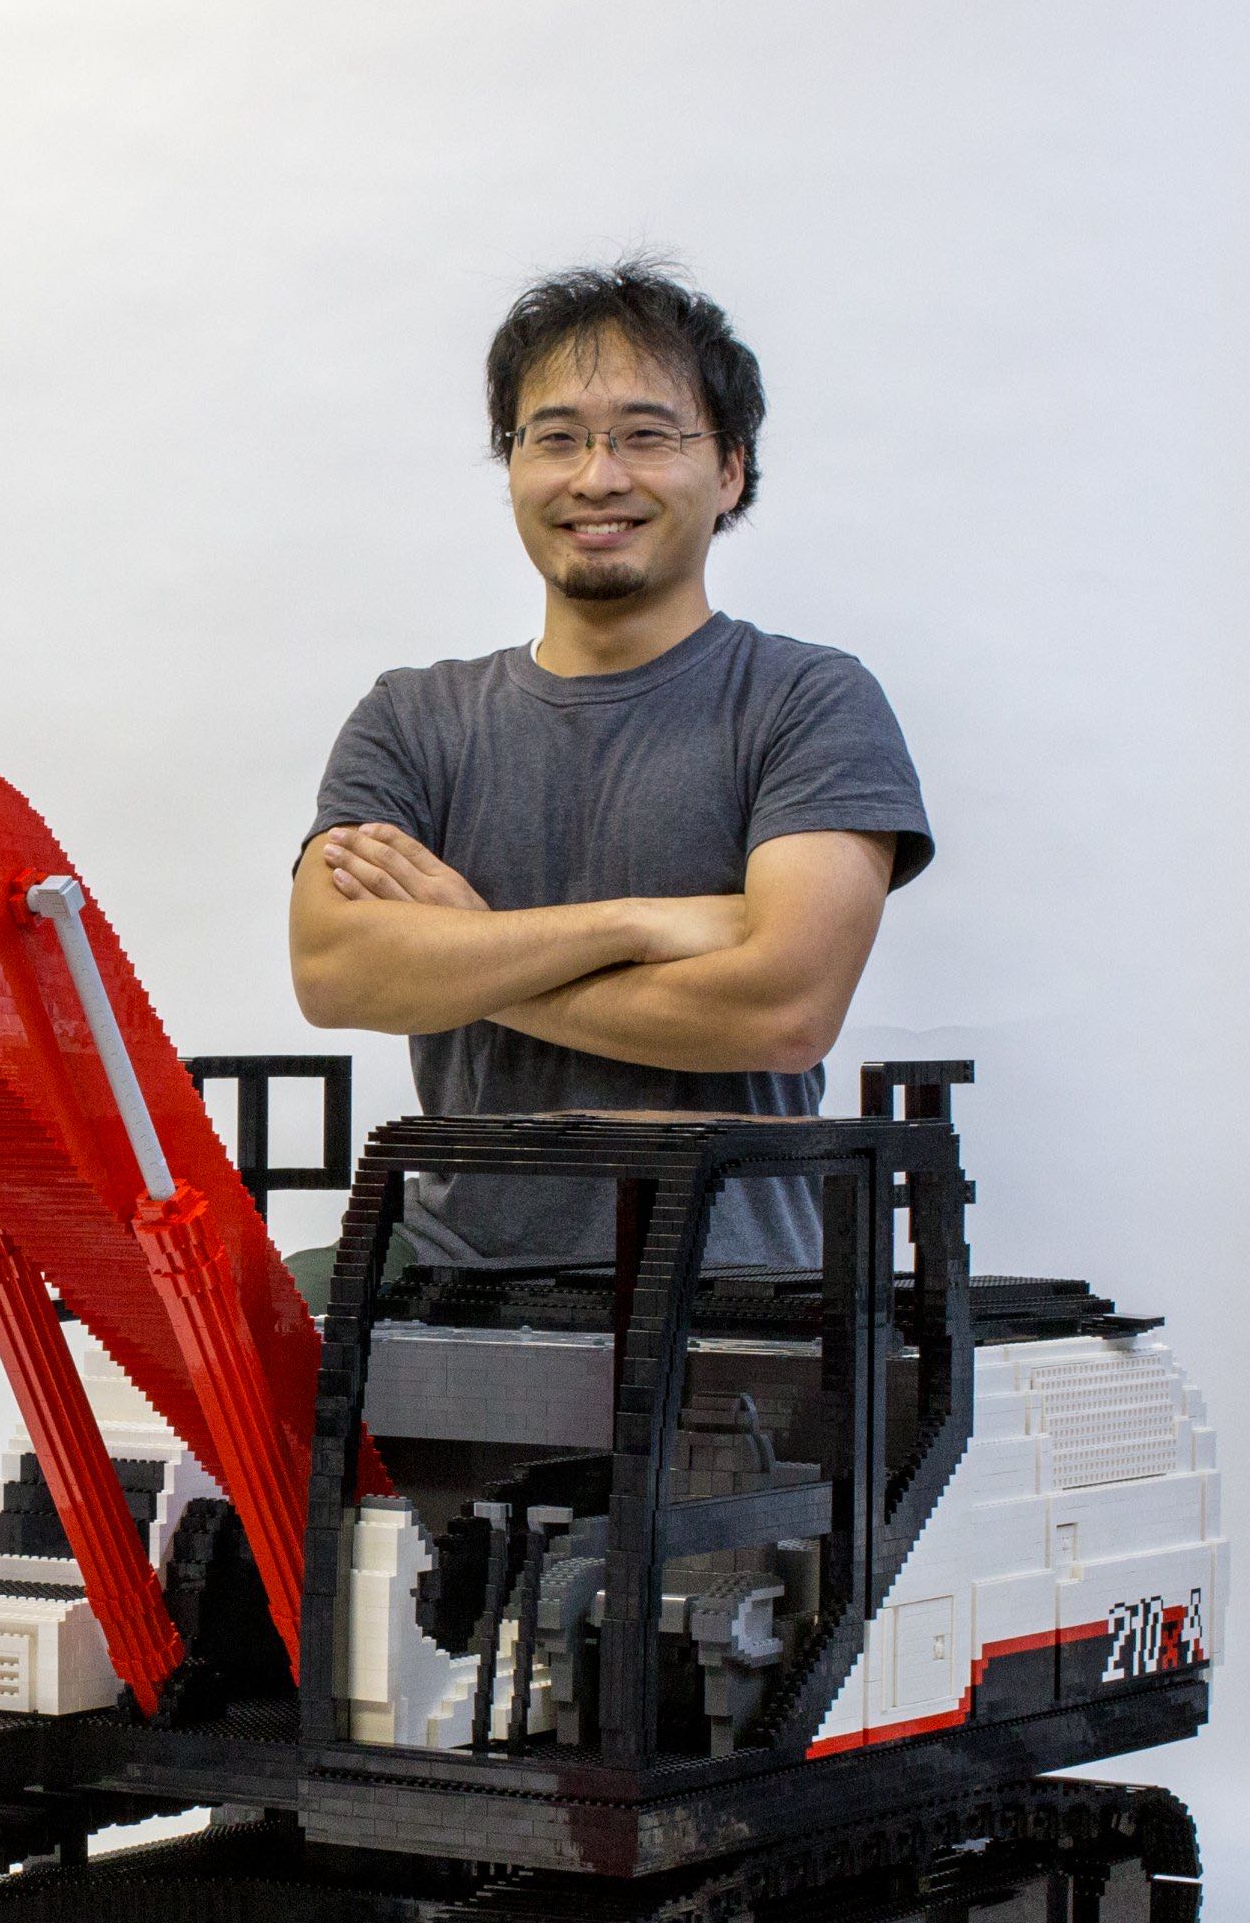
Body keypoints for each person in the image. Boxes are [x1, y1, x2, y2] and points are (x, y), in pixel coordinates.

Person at [290, 260, 933, 1269]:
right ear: (511, 466)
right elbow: (334, 972)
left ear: (730, 470)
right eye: (555, 438)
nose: (597, 477)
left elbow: (782, 1010)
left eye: (645, 435)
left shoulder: (809, 702)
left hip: (733, 1299)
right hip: (454, 1281)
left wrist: (465, 957)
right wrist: (638, 923)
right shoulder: (414, 717)